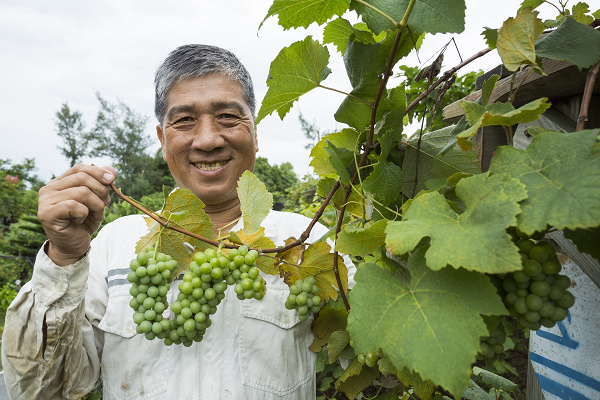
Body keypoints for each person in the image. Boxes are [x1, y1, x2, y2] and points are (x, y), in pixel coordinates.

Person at [2, 45, 348, 400]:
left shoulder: (307, 245)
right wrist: (63, 257)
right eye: (184, 120)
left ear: (255, 133)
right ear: (162, 139)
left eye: (228, 116)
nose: (209, 139)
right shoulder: (113, 246)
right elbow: (38, 390)